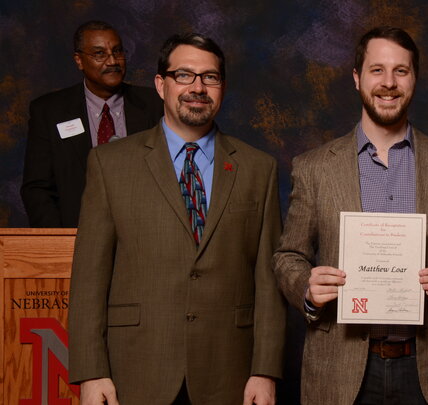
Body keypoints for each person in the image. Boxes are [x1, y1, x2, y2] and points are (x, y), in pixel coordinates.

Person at [273, 26, 428, 405]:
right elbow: (287, 256)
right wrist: (306, 287)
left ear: (414, 79)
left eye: (401, 71)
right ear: (357, 77)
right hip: (339, 370)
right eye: (377, 70)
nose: (388, 83)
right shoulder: (313, 168)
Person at [68, 33, 285, 405]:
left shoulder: (258, 168)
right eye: (183, 75)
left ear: (222, 87)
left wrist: (264, 370)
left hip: (228, 373)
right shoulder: (110, 164)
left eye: (210, 77)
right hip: (134, 370)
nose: (197, 87)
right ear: (160, 84)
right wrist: (91, 373)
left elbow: (268, 281)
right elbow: (89, 278)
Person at [21, 20, 163, 228]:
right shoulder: (49, 112)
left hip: (145, 238)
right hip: (76, 240)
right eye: (99, 54)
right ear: (79, 60)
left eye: (117, 52)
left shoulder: (156, 105)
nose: (112, 61)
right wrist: (59, 243)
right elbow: (37, 188)